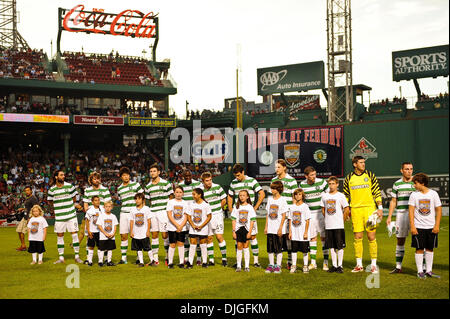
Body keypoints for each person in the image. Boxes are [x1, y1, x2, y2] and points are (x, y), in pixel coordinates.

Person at [343, 156, 382, 274]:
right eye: (361, 162)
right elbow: (346, 196)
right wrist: (347, 210)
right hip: (355, 211)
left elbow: (377, 192)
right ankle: (359, 265)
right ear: (355, 164)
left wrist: (379, 208)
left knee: (371, 237)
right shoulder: (349, 178)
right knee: (358, 237)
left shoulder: (370, 175)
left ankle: (374, 265)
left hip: (370, 211)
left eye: (364, 162)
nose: (363, 164)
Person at [227, 163, 265, 267]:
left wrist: (255, 207)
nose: (237, 177)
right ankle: (238, 262)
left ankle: (256, 261)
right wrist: (231, 209)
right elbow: (230, 196)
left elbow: (261, 193)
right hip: (239, 214)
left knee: (252, 237)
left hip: (249, 214)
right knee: (238, 238)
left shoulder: (252, 181)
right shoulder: (233, 183)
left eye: (238, 175)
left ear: (243, 172)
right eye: (235, 176)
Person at [408, 173, 442, 279]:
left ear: (422, 183)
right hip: (418, 227)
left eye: (416, 183)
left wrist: (437, 225)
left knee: (430, 248)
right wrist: (412, 227)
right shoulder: (414, 195)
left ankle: (429, 271)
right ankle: (419, 272)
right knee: (419, 248)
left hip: (431, 227)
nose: (414, 185)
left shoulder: (433, 194)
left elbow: (439, 210)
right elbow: (411, 212)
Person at [47, 169, 83, 264]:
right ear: (56, 177)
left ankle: (77, 256)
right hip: (59, 217)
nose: (63, 176)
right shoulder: (52, 190)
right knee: (60, 237)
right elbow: (50, 202)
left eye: (64, 175)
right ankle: (61, 258)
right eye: (61, 175)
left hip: (71, 215)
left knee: (74, 235)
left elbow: (74, 198)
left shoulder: (69, 186)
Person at [386, 162, 416, 274]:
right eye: (407, 169)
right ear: (401, 170)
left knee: (418, 239)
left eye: (411, 169)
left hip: (414, 214)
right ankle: (398, 267)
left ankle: (422, 268)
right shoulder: (397, 184)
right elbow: (393, 201)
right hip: (401, 214)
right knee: (400, 240)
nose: (409, 171)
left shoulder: (416, 183)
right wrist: (389, 216)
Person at [299, 166, 330, 271]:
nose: (314, 177)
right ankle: (313, 263)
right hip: (310, 215)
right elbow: (301, 200)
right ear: (306, 176)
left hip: (321, 214)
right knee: (312, 238)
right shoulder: (302, 185)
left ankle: (325, 262)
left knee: (324, 238)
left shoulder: (322, 182)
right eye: (311, 175)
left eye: (314, 174)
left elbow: (330, 196)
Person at [144, 163, 174, 266]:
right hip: (153, 212)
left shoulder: (166, 184)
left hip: (163, 212)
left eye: (154, 171)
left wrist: (169, 211)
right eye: (151, 171)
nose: (152, 173)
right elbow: (148, 201)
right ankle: (155, 259)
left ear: (159, 172)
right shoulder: (148, 186)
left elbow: (171, 197)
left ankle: (167, 257)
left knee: (165, 235)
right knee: (154, 235)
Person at [270, 159, 298, 269]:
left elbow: (295, 197)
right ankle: (278, 261)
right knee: (277, 237)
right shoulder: (273, 180)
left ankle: (290, 260)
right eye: (275, 167)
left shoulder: (291, 180)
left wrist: (293, 212)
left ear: (284, 168)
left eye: (278, 167)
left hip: (288, 213)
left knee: (288, 237)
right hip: (277, 215)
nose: (276, 169)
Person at [81, 171, 112, 263]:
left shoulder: (105, 190)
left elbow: (108, 204)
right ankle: (88, 258)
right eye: (94, 178)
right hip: (91, 218)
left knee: (104, 237)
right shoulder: (87, 190)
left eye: (98, 178)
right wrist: (91, 213)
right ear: (91, 180)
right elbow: (85, 205)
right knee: (89, 237)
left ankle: (105, 258)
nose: (97, 180)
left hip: (102, 217)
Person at [321, 177, 349, 274]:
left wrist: (342, 220)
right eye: (330, 183)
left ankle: (340, 265)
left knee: (339, 246)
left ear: (337, 184)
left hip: (338, 225)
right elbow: (323, 209)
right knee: (331, 246)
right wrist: (328, 218)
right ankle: (334, 265)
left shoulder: (340, 195)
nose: (331, 185)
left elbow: (346, 208)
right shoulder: (324, 196)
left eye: (333, 183)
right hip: (329, 225)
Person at [117, 166, 144, 264]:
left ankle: (138, 257)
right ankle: (123, 258)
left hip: (135, 213)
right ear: (121, 177)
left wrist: (141, 210)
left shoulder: (136, 185)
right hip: (124, 213)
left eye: (127, 175)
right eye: (124, 175)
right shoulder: (119, 188)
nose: (126, 177)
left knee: (137, 235)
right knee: (123, 236)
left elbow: (142, 198)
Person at [200, 172, 228, 267]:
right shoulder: (201, 191)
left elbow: (224, 199)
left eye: (210, 180)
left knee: (219, 237)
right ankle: (211, 260)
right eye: (207, 181)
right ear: (203, 181)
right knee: (209, 238)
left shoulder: (218, 187)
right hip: (207, 217)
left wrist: (218, 208)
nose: (209, 182)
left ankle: (224, 258)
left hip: (217, 215)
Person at [178, 169, 202, 265]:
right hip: (184, 215)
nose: (187, 178)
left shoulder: (198, 184)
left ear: (192, 176)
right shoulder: (180, 185)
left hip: (196, 214)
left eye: (189, 176)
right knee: (186, 237)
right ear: (183, 177)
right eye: (186, 176)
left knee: (198, 237)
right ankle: (186, 257)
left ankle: (199, 258)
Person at [264, 181, 288, 274]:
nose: (271, 190)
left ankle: (278, 265)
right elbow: (267, 214)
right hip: (270, 228)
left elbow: (283, 215)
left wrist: (280, 228)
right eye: (271, 188)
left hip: (278, 228)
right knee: (270, 248)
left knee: (278, 248)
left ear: (278, 189)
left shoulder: (283, 200)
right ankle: (271, 265)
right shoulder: (270, 199)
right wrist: (266, 226)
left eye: (273, 188)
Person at [186, 188, 212, 268]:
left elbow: (209, 216)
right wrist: (193, 225)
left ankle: (204, 262)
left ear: (199, 195)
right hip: (193, 228)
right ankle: (190, 262)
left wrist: (202, 225)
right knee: (193, 244)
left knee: (203, 244)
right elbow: (188, 216)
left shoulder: (206, 204)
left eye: (194, 194)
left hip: (203, 228)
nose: (193, 196)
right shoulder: (191, 204)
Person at [231, 190, 256, 272]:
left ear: (247, 197)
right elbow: (233, 220)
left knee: (246, 247)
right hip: (238, 229)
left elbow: (252, 220)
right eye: (240, 195)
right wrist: (233, 231)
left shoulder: (250, 207)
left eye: (243, 195)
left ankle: (247, 266)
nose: (242, 197)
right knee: (239, 247)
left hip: (247, 229)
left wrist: (250, 232)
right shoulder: (236, 207)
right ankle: (238, 266)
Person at [288, 188, 311, 274]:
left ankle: (305, 266)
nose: (298, 196)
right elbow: (290, 219)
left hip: (302, 233)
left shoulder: (305, 207)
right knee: (294, 250)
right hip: (294, 232)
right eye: (296, 194)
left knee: (305, 251)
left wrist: (305, 232)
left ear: (302, 196)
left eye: (300, 194)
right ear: (294, 196)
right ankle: (294, 265)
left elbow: (307, 220)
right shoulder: (292, 207)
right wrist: (290, 232)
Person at [166, 186, 189, 268]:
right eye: (177, 192)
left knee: (181, 244)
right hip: (172, 227)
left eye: (180, 192)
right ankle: (170, 262)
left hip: (182, 227)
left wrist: (181, 226)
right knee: (172, 244)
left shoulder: (185, 203)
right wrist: (176, 225)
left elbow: (186, 216)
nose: (178, 194)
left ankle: (181, 262)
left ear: (183, 193)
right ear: (174, 193)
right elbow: (169, 214)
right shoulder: (170, 202)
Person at [130, 193, 154, 267]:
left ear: (143, 200)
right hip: (136, 233)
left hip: (144, 232)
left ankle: (152, 260)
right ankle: (141, 262)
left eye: (139, 199)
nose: (137, 200)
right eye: (136, 199)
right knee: (138, 248)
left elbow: (149, 221)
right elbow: (131, 221)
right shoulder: (132, 209)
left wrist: (148, 231)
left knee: (148, 247)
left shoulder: (146, 209)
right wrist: (131, 231)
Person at [16, 186, 38, 251]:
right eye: (26, 190)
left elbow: (36, 208)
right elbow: (28, 207)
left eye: (28, 190)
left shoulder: (33, 198)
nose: (27, 192)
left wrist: (31, 217)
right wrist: (22, 209)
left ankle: (34, 247)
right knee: (19, 230)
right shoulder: (27, 198)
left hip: (30, 217)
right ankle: (23, 246)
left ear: (31, 191)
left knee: (32, 233)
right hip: (25, 216)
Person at [96, 201, 119, 266]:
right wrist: (105, 233)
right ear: (104, 207)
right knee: (102, 249)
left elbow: (115, 226)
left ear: (112, 207)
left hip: (111, 235)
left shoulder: (113, 216)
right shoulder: (101, 216)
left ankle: (109, 261)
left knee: (110, 248)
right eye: (106, 206)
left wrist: (113, 233)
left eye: (109, 207)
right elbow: (99, 225)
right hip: (103, 236)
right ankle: (100, 261)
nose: (108, 208)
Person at [85, 195, 104, 266]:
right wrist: (88, 231)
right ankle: (90, 261)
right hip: (92, 231)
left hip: (100, 231)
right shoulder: (90, 210)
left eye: (98, 200)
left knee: (100, 246)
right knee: (91, 246)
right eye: (96, 200)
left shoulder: (102, 209)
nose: (98, 201)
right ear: (92, 202)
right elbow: (87, 221)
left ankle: (100, 261)